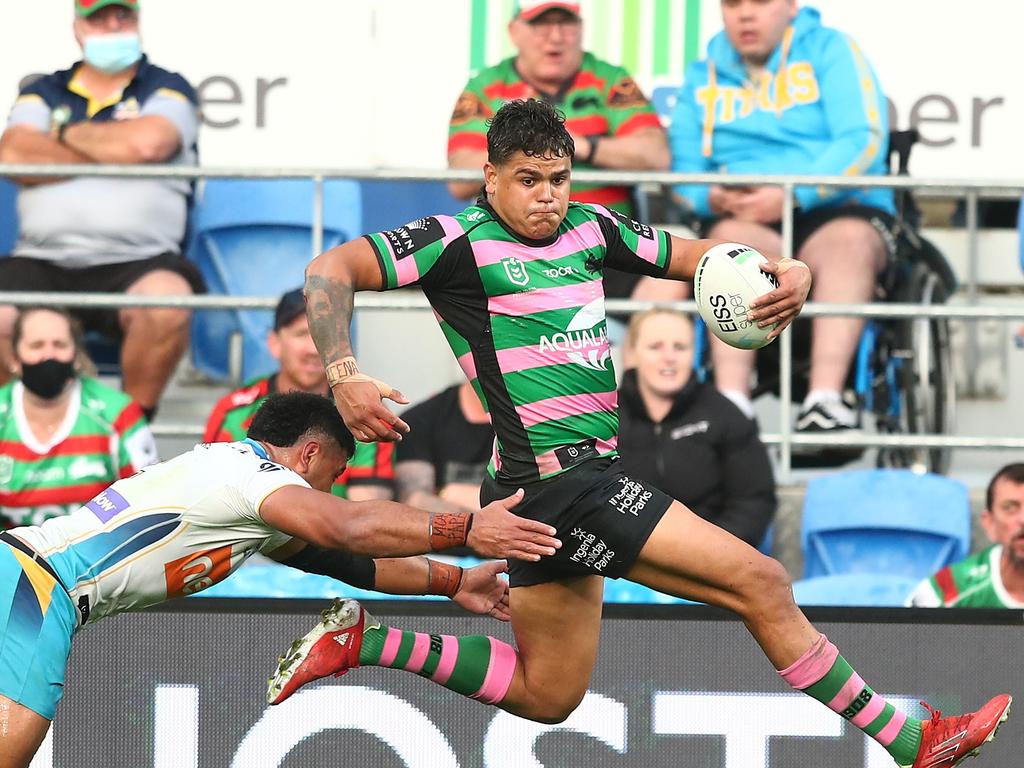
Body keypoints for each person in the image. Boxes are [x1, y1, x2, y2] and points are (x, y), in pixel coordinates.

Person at [276, 100, 1008, 768]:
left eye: (559, 178)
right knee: (762, 581)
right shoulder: (452, 242)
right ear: (490, 176)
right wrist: (342, 370)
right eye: (528, 180)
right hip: (566, 483)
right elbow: (328, 267)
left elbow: (701, 259)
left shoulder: (591, 228)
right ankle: (910, 738)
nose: (547, 197)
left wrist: (788, 269)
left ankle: (368, 641)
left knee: (548, 693)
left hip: (537, 492)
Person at [0, 391, 561, 767]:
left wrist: (451, 583)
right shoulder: (249, 476)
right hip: (35, 587)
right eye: (334, 474)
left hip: (28, 580)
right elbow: (348, 526)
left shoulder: (247, 500)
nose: (332, 488)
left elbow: (352, 564)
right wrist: (468, 527)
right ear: (309, 453)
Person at [669, 0, 897, 435]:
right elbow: (680, 170)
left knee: (848, 242)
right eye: (733, 4)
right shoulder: (703, 73)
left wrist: (793, 194)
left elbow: (863, 140)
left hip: (835, 206)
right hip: (743, 214)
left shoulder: (832, 49)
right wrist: (710, 198)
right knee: (727, 247)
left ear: (791, 6)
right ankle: (732, 404)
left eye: (760, 2)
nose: (746, 15)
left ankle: (825, 400)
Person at [0, 0, 204, 421]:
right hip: (42, 259)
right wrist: (114, 152)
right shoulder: (43, 90)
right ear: (77, 28)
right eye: (99, 16)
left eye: (123, 15)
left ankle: (132, 434)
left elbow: (149, 143)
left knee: (166, 303)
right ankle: (18, 432)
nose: (113, 25)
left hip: (139, 261)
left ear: (138, 21)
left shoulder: (167, 86)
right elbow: (15, 152)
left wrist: (62, 135)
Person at [203, 289, 394, 501]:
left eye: (322, 336)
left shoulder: (365, 414)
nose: (313, 349)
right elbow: (213, 495)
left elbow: (365, 511)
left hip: (333, 533)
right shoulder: (232, 411)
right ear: (274, 343)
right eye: (302, 334)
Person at [617, 308, 775, 547]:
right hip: (623, 565)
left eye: (680, 347)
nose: (669, 357)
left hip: (710, 560)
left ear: (694, 353)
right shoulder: (605, 418)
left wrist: (711, 552)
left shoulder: (725, 414)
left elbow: (753, 501)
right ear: (631, 354)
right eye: (655, 347)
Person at [0, 307, 157, 530]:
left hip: (101, 559)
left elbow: (148, 505)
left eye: (60, 345)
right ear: (15, 359)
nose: (49, 355)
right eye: (36, 346)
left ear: (75, 356)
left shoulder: (118, 413)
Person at [907, 463, 1024, 608]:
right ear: (989, 523)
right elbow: (907, 630)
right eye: (1010, 508)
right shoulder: (947, 591)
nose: (1023, 519)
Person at [395, 380, 494, 515]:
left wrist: (450, 494)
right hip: (444, 534)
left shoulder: (529, 424)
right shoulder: (419, 421)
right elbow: (413, 502)